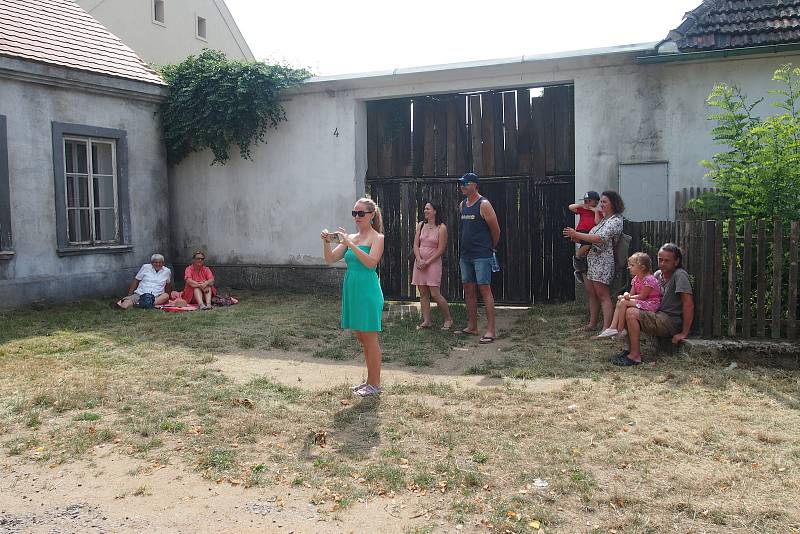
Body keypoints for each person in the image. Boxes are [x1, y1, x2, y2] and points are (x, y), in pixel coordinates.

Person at [321, 197, 385, 397]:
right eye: (354, 213)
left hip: (367, 290)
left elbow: (371, 263)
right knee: (361, 337)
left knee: (370, 337)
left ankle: (375, 384)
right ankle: (369, 381)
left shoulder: (377, 238)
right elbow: (331, 259)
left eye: (361, 213)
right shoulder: (351, 237)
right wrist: (326, 243)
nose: (356, 217)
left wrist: (349, 243)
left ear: (371, 215)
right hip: (353, 289)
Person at [611, 243, 695, 366]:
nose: (662, 263)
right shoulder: (657, 275)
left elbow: (688, 304)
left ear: (676, 261)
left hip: (669, 320)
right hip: (656, 314)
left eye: (667, 260)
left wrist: (684, 333)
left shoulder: (679, 275)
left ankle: (635, 356)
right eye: (660, 260)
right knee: (627, 306)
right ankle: (629, 351)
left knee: (631, 312)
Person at [562, 190, 625, 332]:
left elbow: (599, 239)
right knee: (592, 293)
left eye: (604, 202)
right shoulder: (604, 220)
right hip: (593, 261)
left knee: (603, 295)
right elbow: (591, 238)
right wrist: (577, 238)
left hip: (603, 261)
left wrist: (576, 233)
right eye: (601, 202)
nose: (601, 205)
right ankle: (592, 324)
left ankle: (606, 329)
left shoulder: (615, 220)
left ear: (613, 203)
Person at [455, 173, 501, 344]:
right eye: (461, 184)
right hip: (466, 254)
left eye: (465, 183)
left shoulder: (484, 204)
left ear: (475, 185)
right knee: (468, 288)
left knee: (484, 289)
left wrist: (490, 247)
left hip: (482, 254)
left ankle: (491, 330)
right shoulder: (462, 205)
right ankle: (472, 326)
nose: (462, 186)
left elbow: (496, 230)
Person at [594, 252, 661, 339]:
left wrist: (628, 297)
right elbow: (631, 294)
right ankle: (612, 327)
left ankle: (621, 329)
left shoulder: (649, 279)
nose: (629, 268)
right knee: (620, 301)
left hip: (651, 304)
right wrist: (625, 295)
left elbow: (642, 296)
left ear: (642, 267)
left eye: (632, 265)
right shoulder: (636, 279)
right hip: (642, 301)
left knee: (624, 302)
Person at [412, 202, 453, 330]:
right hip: (419, 263)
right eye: (424, 209)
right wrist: (419, 260)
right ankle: (426, 320)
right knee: (423, 292)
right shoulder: (421, 225)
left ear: (435, 211)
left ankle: (448, 319)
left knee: (435, 293)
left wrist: (427, 262)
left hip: (433, 263)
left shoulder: (441, 228)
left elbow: (441, 249)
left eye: (428, 209)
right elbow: (415, 245)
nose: (425, 211)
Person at [569, 191, 602, 281]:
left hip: (591, 233)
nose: (587, 203)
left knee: (588, 249)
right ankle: (577, 256)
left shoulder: (598, 212)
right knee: (587, 245)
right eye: (585, 201)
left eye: (589, 201)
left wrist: (595, 212)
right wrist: (581, 205)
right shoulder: (583, 209)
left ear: (596, 202)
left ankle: (581, 268)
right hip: (582, 231)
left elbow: (597, 223)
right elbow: (570, 207)